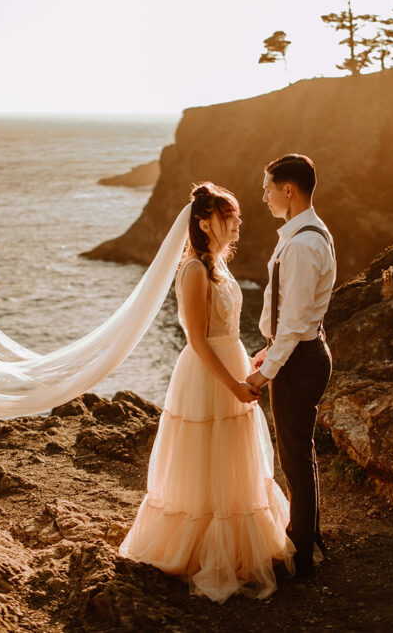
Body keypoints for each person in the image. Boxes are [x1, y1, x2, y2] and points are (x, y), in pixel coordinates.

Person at [119, 182, 295, 603]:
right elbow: (197, 340)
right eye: (227, 216)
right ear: (203, 223)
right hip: (206, 375)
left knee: (232, 456)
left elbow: (224, 329)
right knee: (205, 456)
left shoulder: (218, 264)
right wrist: (233, 384)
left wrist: (248, 359)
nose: (237, 222)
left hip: (230, 361)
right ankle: (200, 549)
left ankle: (234, 546)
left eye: (235, 215)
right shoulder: (194, 269)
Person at [246, 154, 336, 578]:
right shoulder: (306, 233)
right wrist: (270, 349)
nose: (263, 197)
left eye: (268, 189)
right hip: (301, 350)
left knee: (295, 456)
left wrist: (266, 371)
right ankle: (307, 536)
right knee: (301, 453)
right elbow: (296, 315)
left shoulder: (302, 245)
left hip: (300, 359)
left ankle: (301, 553)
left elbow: (295, 322)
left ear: (288, 190)